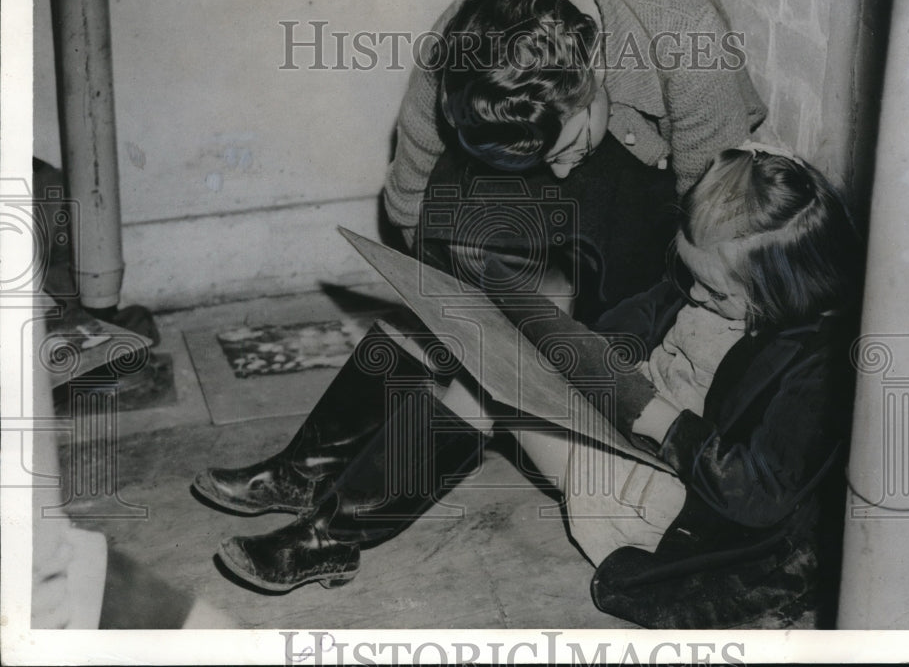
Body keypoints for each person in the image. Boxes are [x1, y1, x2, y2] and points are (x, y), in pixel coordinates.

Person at [193, 0, 768, 522]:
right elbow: (416, 169)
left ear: (594, 71)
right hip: (586, 125)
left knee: (535, 323)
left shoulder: (685, 33)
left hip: (668, 172)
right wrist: (437, 296)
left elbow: (711, 206)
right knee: (455, 288)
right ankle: (305, 471)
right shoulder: (466, 40)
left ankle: (347, 526)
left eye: (568, 149)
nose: (561, 173)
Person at [207, 144, 862, 628]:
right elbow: (650, 309)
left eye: (711, 289)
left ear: (785, 290)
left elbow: (757, 498)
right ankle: (309, 474)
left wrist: (660, 418)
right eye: (687, 271)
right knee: (436, 327)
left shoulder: (818, 366)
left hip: (672, 497)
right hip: (626, 423)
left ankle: (331, 536)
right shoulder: (724, 288)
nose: (690, 291)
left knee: (480, 385)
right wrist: (603, 356)